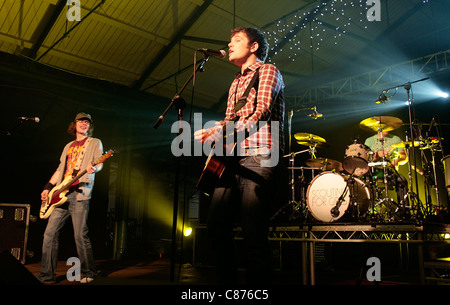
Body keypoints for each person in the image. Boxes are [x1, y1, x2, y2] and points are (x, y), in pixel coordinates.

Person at [194, 27, 285, 284]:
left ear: (253, 46)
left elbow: (261, 112)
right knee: (216, 226)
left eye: (236, 40)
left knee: (253, 230)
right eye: (229, 41)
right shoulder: (235, 82)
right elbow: (230, 121)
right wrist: (214, 131)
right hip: (232, 158)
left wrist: (227, 131)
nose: (229, 44)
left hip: (259, 155)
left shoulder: (269, 71)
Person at [37, 112, 103, 284]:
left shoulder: (94, 142)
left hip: (80, 193)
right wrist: (48, 187)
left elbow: (99, 162)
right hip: (60, 195)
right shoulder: (68, 146)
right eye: (81, 121)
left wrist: (93, 169)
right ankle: (46, 276)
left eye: (87, 122)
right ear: (74, 125)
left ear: (90, 126)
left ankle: (89, 271)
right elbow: (60, 169)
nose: (84, 124)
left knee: (80, 235)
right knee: (49, 235)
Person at [364, 130, 409, 214]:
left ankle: (404, 212)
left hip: (391, 171)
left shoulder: (396, 139)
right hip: (374, 172)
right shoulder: (369, 140)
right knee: (365, 183)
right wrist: (376, 155)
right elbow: (365, 160)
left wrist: (397, 160)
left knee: (402, 180)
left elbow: (404, 156)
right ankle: (368, 211)